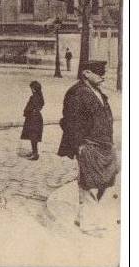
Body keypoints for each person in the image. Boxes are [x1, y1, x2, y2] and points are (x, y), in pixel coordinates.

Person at [57, 62, 118, 231]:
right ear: (86, 73)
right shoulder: (77, 93)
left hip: (104, 145)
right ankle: (87, 223)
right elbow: (70, 122)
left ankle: (82, 217)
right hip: (89, 146)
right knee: (89, 184)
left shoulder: (97, 91)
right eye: (98, 73)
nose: (103, 76)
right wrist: (79, 146)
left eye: (103, 73)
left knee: (107, 179)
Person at [20, 81, 45, 160]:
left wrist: (25, 112)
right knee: (34, 136)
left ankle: (35, 154)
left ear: (33, 89)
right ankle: (34, 151)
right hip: (38, 117)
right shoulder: (40, 96)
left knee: (33, 136)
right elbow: (41, 105)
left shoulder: (33, 97)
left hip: (32, 118)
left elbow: (29, 107)